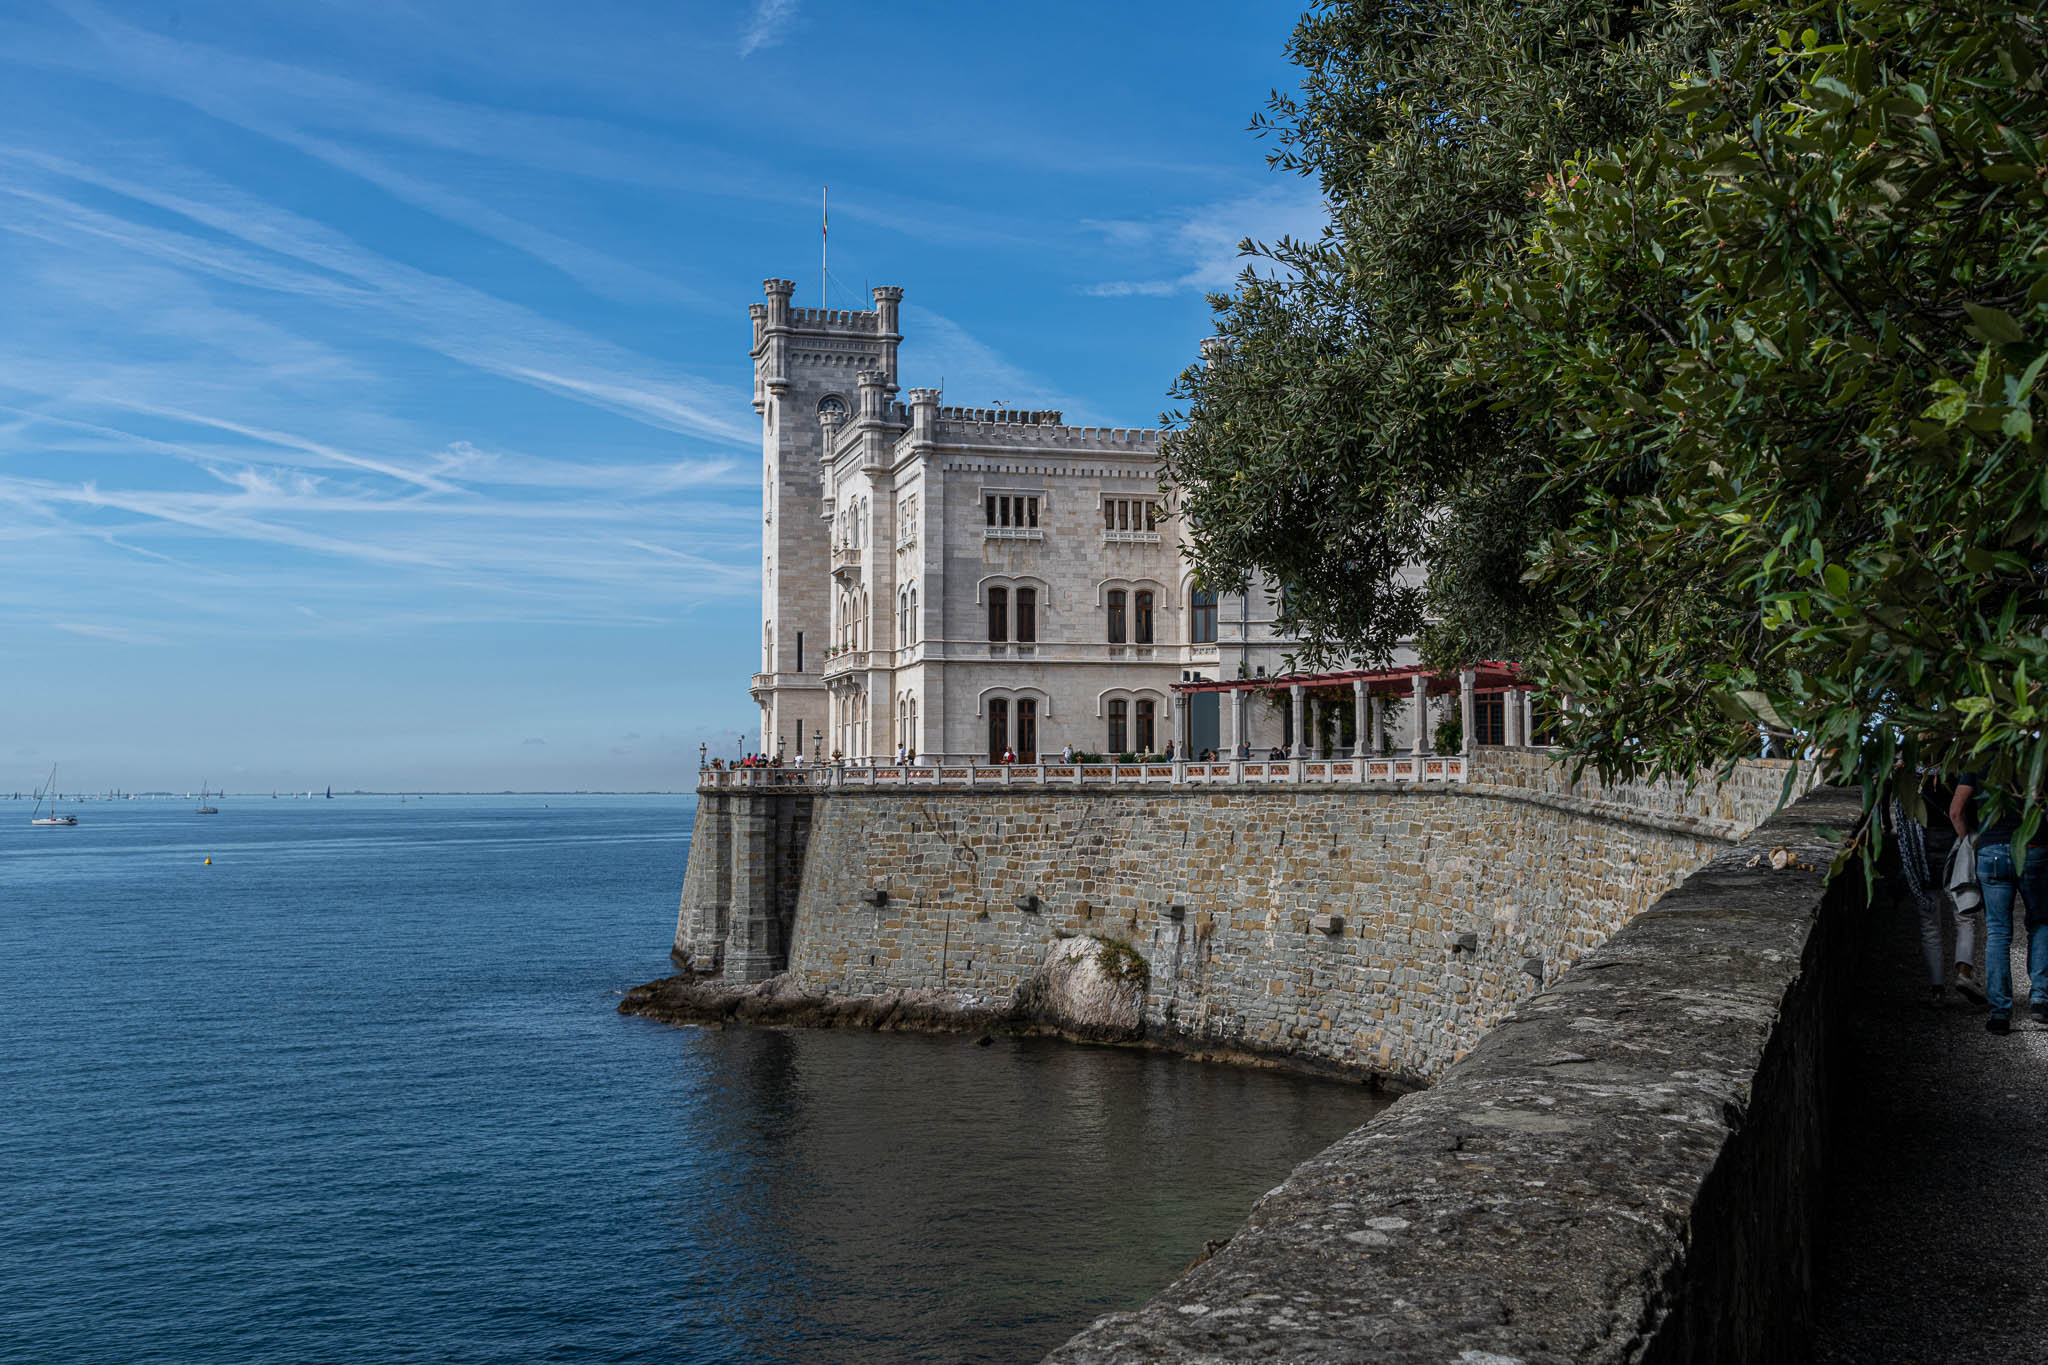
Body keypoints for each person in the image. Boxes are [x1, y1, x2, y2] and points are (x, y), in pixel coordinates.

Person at [1951, 770, 2046, 1033]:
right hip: (2034, 847)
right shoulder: (2038, 754)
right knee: (2041, 923)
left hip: (1991, 850)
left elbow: (1956, 812)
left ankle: (2000, 1013)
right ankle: (2040, 999)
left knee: (1998, 932)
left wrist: (1971, 845)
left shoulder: (1979, 757)